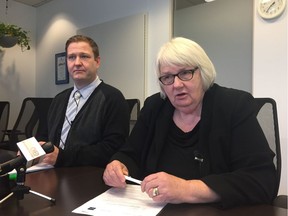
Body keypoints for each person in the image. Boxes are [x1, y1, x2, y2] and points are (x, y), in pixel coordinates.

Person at [103, 37, 277, 208]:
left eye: (185, 73)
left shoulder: (234, 105)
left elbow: (262, 180)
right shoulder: (154, 107)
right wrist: (119, 165)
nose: (176, 84)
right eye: (167, 77)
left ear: (203, 72)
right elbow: (130, 153)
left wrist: (186, 189)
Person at [40, 35, 130, 167]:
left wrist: (63, 157)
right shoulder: (59, 99)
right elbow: (44, 136)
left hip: (86, 176)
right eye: (71, 57)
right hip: (51, 170)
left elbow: (112, 148)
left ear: (97, 62)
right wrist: (32, 150)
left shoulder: (113, 98)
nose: (77, 62)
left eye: (84, 56)